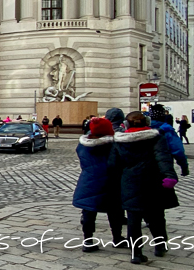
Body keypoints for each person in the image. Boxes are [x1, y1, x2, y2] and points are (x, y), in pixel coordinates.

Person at [109, 111, 179, 264]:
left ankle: (136, 253)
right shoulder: (156, 138)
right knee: (156, 217)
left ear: (125, 125)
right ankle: (160, 246)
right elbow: (163, 158)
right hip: (153, 182)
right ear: (147, 122)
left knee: (133, 220)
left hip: (130, 183)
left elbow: (113, 165)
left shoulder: (119, 141)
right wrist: (169, 176)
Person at [72, 117, 125, 252]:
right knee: (115, 211)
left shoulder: (83, 145)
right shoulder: (113, 145)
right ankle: (117, 238)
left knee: (88, 211)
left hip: (88, 180)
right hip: (111, 181)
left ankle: (88, 240)